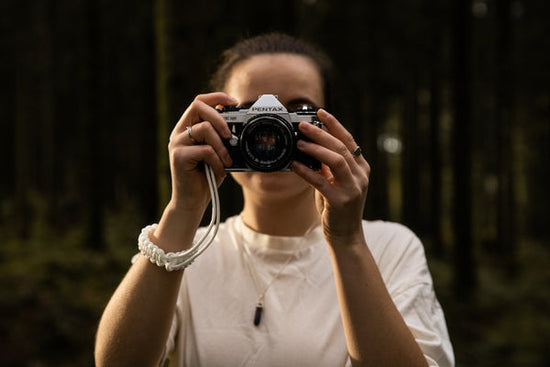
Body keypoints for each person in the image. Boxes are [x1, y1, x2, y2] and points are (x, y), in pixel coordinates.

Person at [94, 33, 454, 367]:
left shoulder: (388, 247)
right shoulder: (186, 249)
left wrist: (347, 242)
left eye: (296, 112)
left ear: (328, 125)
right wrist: (183, 210)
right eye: (250, 114)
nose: (269, 131)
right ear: (215, 123)